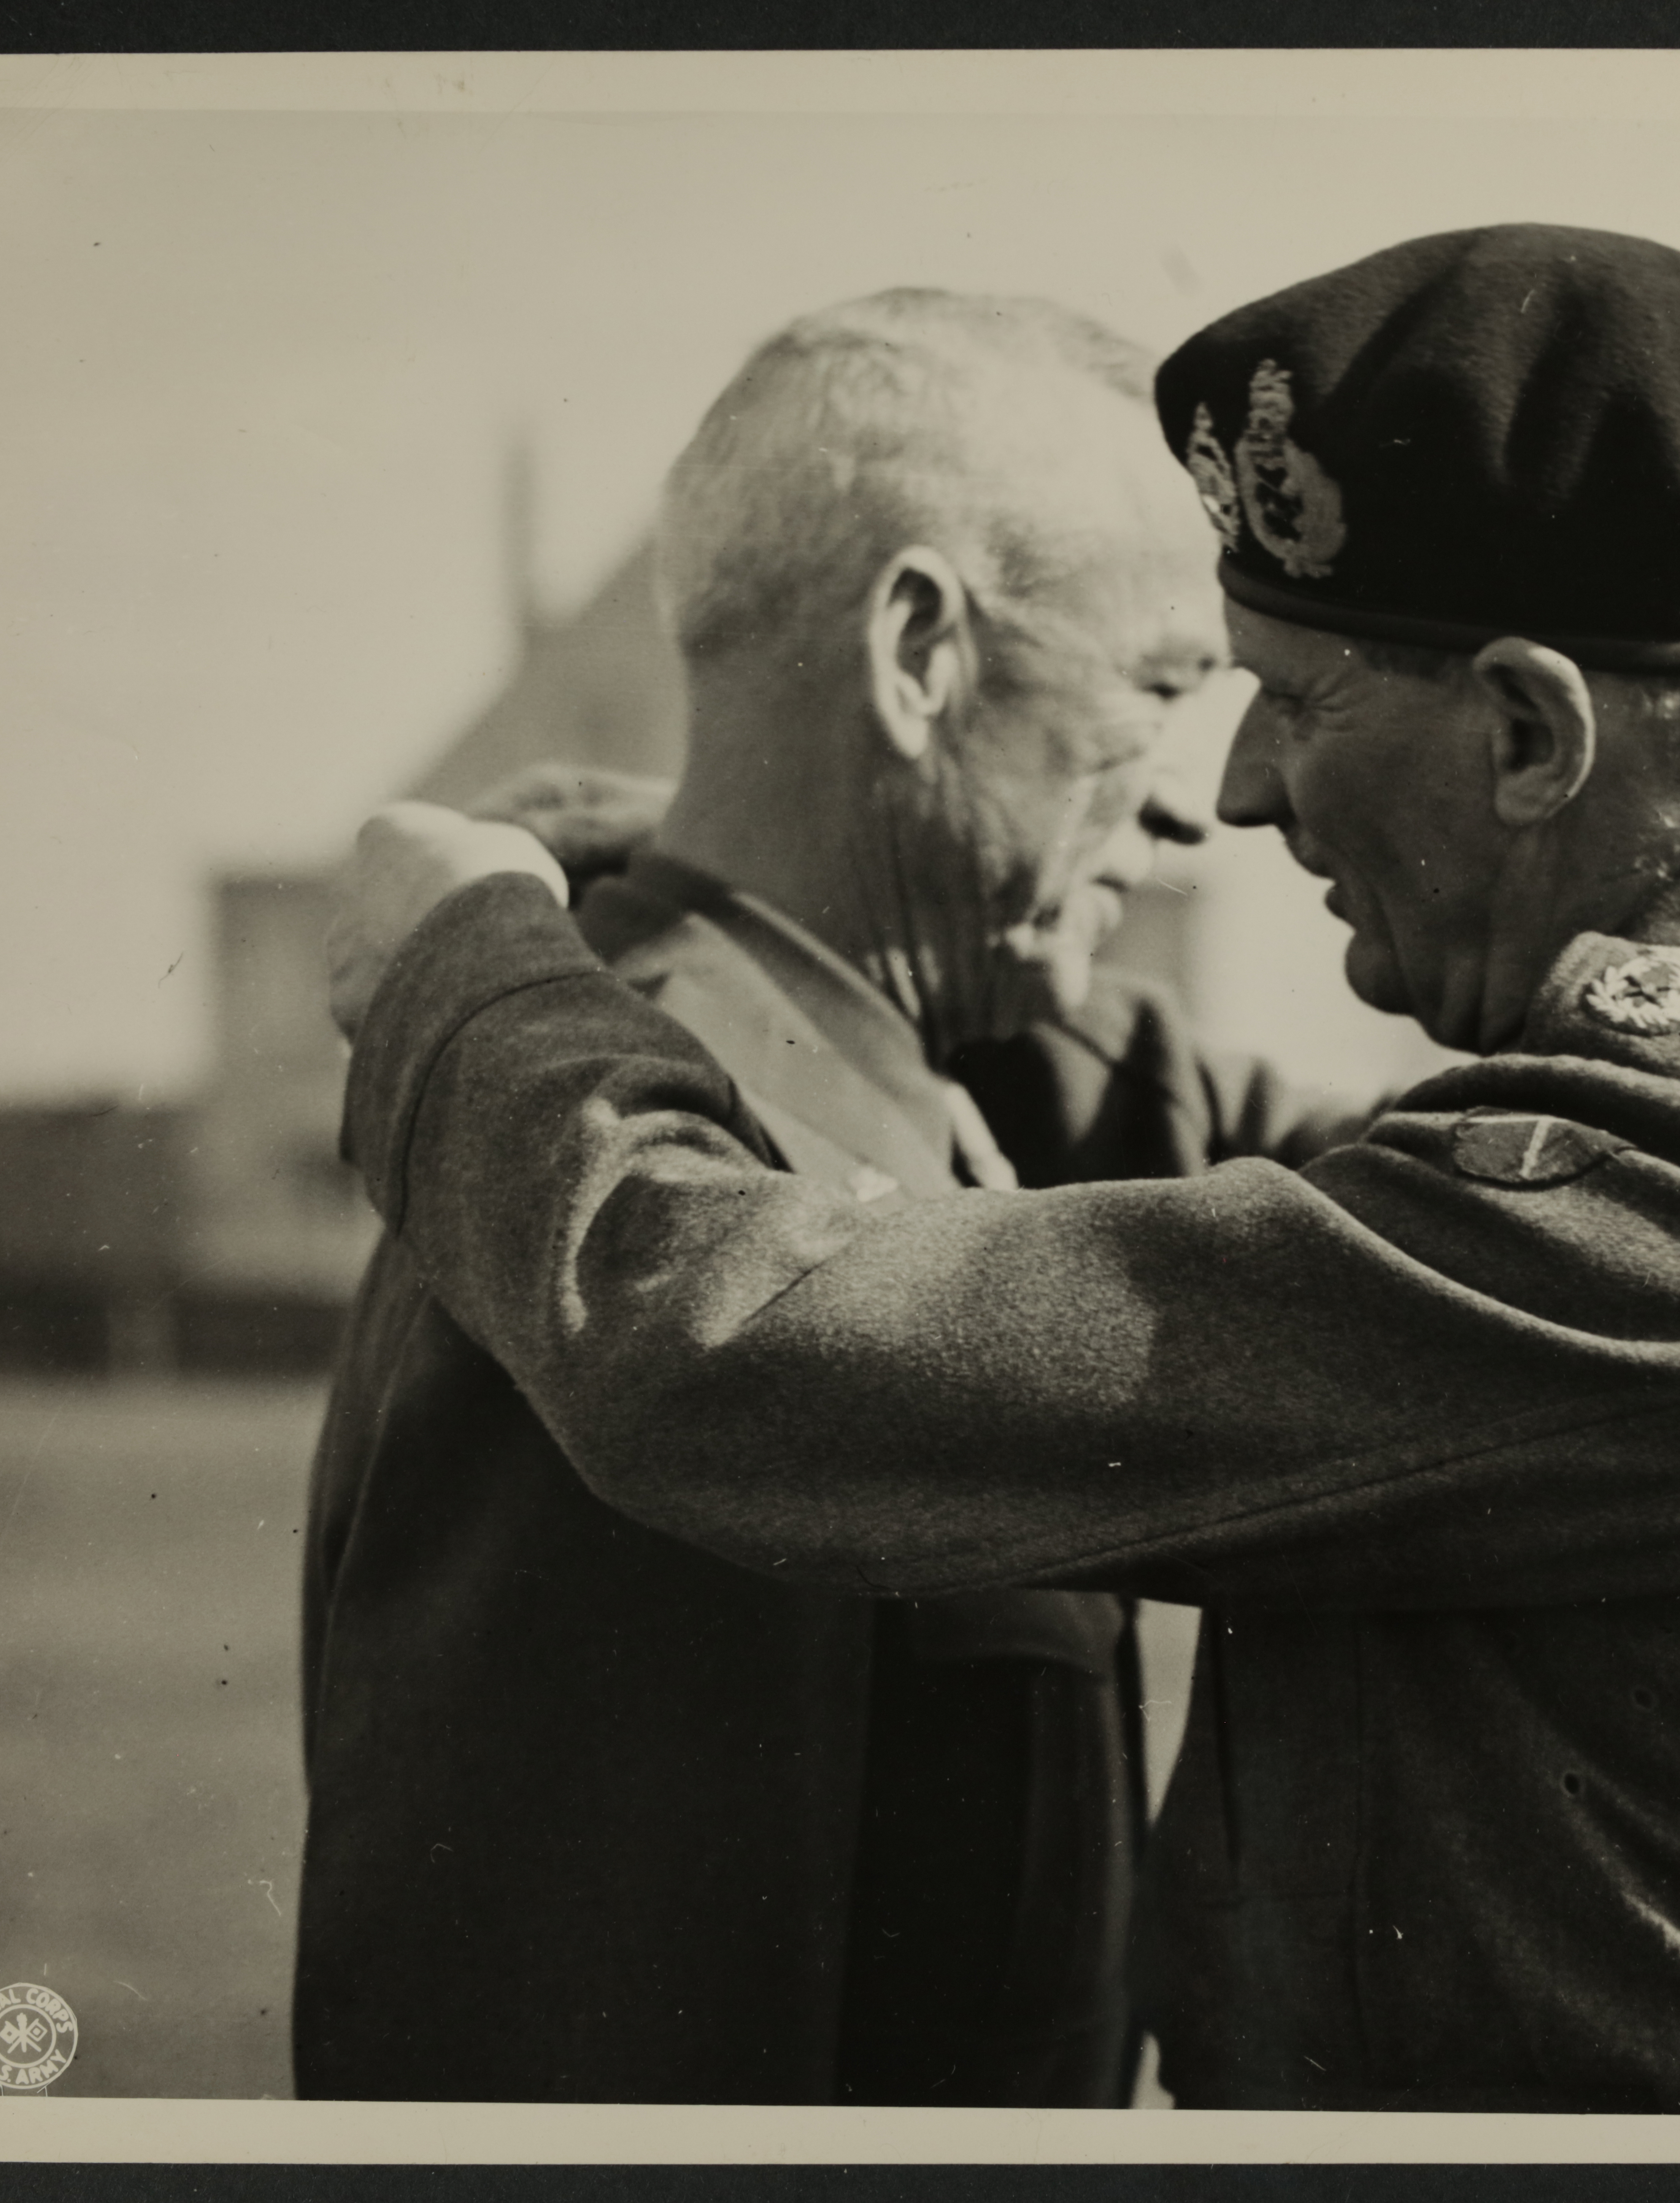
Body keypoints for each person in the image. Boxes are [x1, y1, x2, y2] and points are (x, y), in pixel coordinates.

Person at [324, 225, 1680, 2114]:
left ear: (1532, 733)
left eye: (1294, 698)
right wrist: (772, 896)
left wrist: (457, 978)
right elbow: (1316, 1197)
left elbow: (726, 1348)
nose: (1245, 790)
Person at [295, 288, 1353, 2107]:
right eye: (1163, 688)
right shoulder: (641, 1188)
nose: (1199, 812)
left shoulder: (859, 1084)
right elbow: (584, 2075)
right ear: (920, 654)